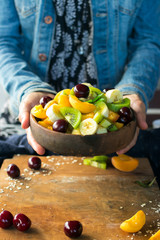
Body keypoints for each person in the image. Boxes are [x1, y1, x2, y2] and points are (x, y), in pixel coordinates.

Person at [0, 0, 160, 156]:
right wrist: (28, 89)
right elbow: (4, 41)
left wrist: (133, 88)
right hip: (26, 117)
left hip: (108, 127)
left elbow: (148, 41)